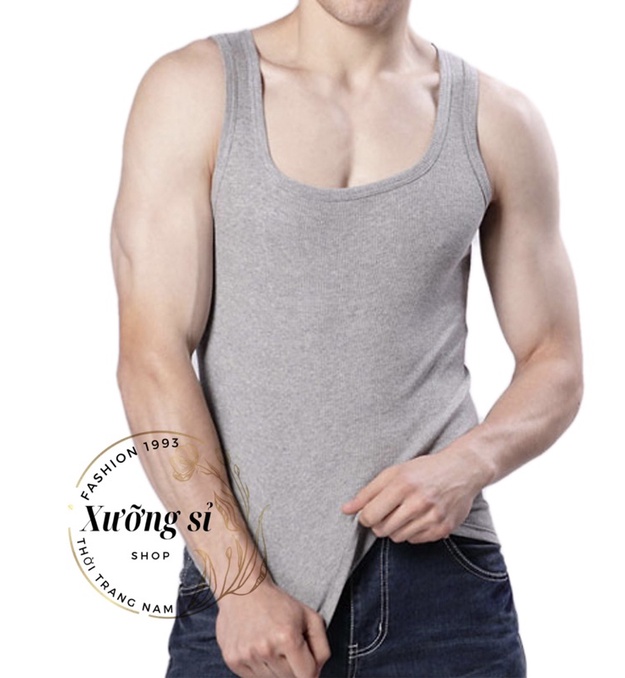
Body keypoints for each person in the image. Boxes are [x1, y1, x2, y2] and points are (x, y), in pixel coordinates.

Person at [111, 1, 583, 676]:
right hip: (244, 585)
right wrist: (238, 585)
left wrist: (468, 464)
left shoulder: (498, 120)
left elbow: (555, 359)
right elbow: (150, 356)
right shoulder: (195, 90)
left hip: (443, 584)